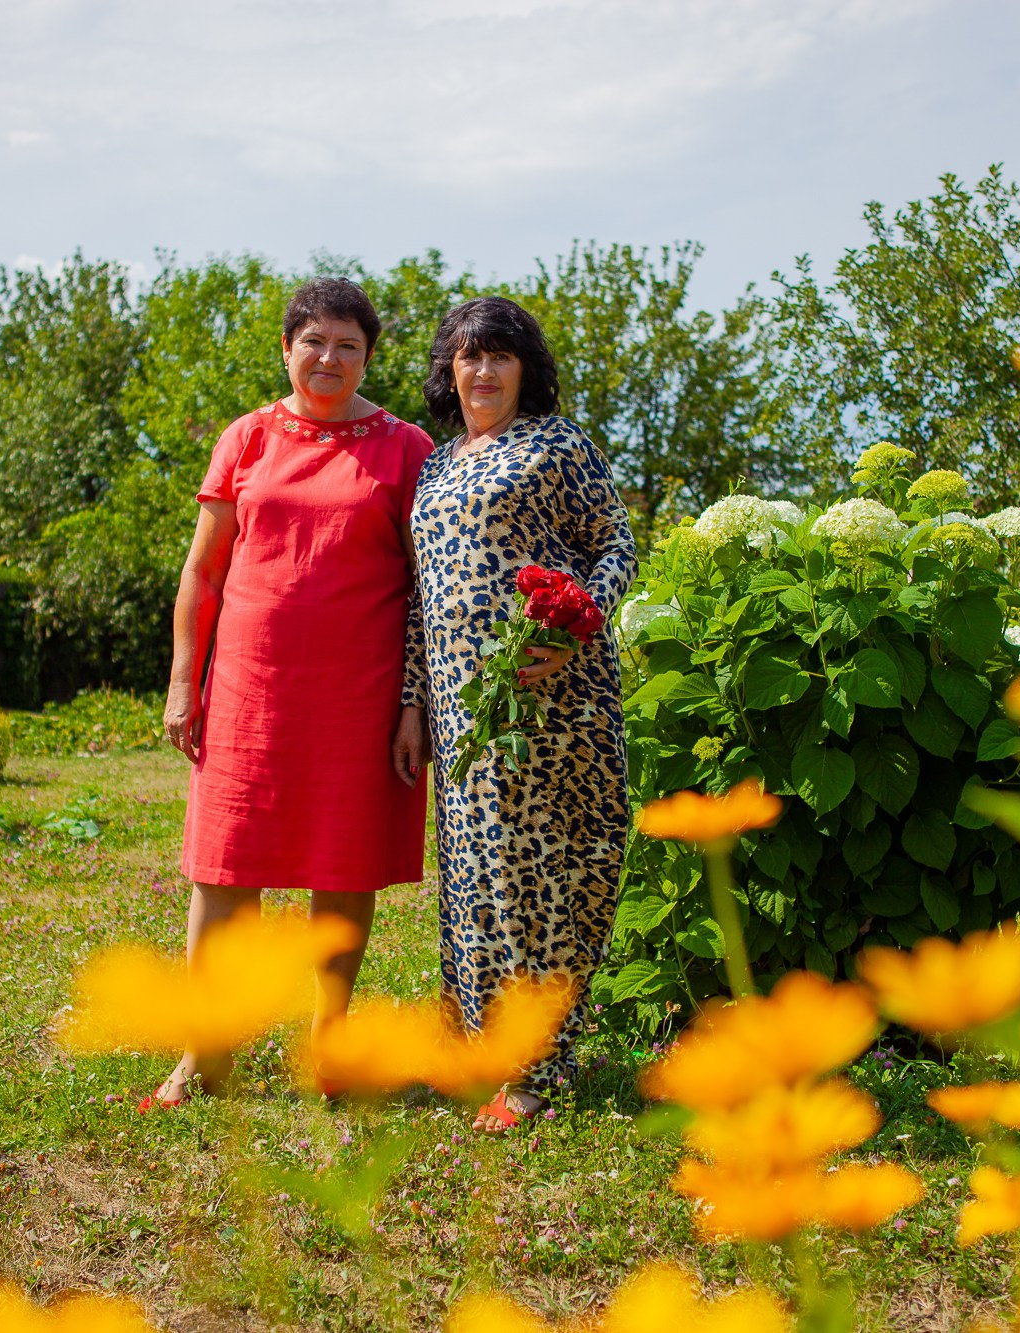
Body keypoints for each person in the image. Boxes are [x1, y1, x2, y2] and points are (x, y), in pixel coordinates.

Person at [148, 277, 435, 1108]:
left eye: (349, 345)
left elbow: (425, 591)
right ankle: (205, 1054)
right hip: (247, 691)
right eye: (315, 342)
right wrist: (182, 680)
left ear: (368, 357)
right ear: (287, 348)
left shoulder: (406, 447)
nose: (329, 359)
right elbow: (203, 572)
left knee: (341, 872)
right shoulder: (246, 438)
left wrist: (414, 704)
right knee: (223, 870)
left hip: (360, 697)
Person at [403, 296, 637, 1129]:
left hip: (554, 700)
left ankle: (535, 1065)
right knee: (473, 879)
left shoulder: (557, 444)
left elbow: (617, 544)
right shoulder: (434, 465)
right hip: (464, 710)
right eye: (470, 356)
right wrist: (412, 704)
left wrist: (579, 626)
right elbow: (417, 599)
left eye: (501, 356)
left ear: (526, 370)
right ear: (451, 371)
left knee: (545, 879)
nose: (485, 370)